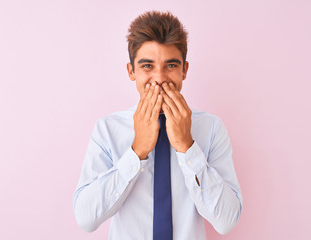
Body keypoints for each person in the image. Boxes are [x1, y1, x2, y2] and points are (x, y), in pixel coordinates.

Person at [73, 11, 243, 240]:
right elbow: (86, 218)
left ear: (185, 70)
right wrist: (137, 152)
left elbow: (226, 221)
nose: (160, 78)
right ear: (131, 71)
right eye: (147, 66)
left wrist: (187, 147)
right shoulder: (107, 130)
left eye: (171, 65)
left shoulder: (211, 129)